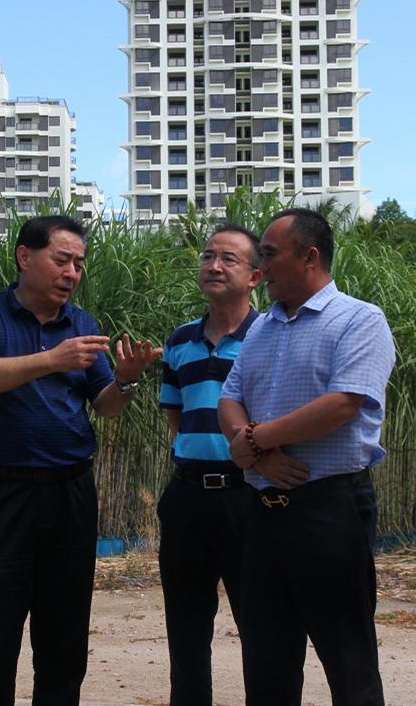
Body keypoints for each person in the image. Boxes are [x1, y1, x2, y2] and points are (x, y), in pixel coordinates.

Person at [0, 215, 161, 706]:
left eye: (79, 265)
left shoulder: (81, 324)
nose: (72, 273)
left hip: (69, 494)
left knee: (64, 636)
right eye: (62, 260)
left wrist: (126, 380)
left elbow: (105, 406)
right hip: (0, 496)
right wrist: (51, 359)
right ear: (25, 257)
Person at [218, 208, 395, 706]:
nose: (261, 266)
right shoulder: (261, 328)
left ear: (309, 256)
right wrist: (257, 457)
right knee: (267, 665)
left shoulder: (359, 320)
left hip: (328, 512)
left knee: (349, 664)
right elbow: (229, 397)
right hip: (262, 515)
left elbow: (344, 403)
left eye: (270, 255)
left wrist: (254, 442)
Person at [157, 224, 263, 705]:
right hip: (187, 498)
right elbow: (174, 413)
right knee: (185, 626)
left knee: (261, 623)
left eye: (228, 259)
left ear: (256, 276)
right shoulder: (180, 339)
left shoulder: (269, 335)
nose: (214, 266)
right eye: (207, 256)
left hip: (249, 497)